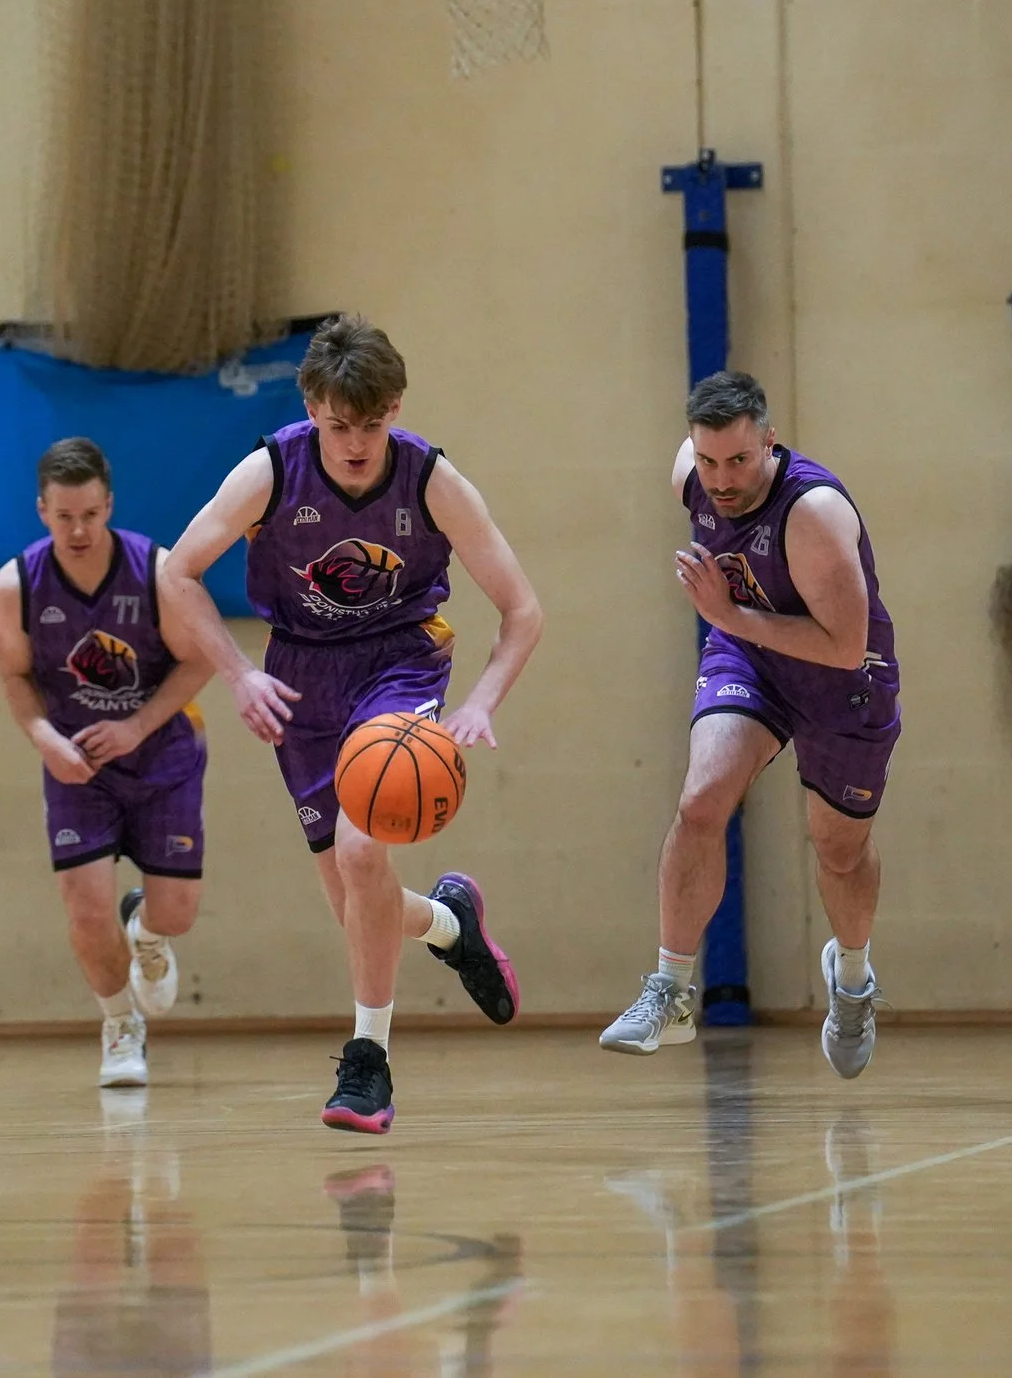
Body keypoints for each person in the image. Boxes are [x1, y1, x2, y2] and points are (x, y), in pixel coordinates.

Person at [158, 315, 543, 1133]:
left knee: (366, 848)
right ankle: (448, 923)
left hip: (399, 660)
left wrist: (480, 703)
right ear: (311, 406)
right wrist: (238, 673)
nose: (357, 443)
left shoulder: (432, 481)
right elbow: (177, 571)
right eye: (340, 425)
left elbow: (522, 609)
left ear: (395, 407)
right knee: (353, 900)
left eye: (372, 424)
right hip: (301, 675)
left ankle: (368, 1061)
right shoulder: (270, 469)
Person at [600, 371, 903, 1078]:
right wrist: (734, 627)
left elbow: (843, 643)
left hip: (843, 678)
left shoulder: (814, 514)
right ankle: (670, 989)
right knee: (701, 799)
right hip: (751, 652)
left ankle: (852, 979)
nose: (722, 478)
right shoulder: (694, 475)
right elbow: (701, 484)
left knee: (838, 852)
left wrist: (729, 616)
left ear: (769, 439)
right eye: (708, 461)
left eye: (738, 460)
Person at [0, 437, 214, 1089]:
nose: (79, 529)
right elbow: (14, 677)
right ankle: (120, 1025)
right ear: (41, 511)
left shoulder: (155, 573)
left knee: (179, 913)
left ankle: (146, 931)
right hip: (76, 764)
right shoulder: (16, 586)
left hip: (162, 750)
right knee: (84, 907)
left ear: (108, 503)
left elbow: (198, 660)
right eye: (64, 516)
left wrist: (136, 724)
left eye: (90, 513)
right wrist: (43, 738)